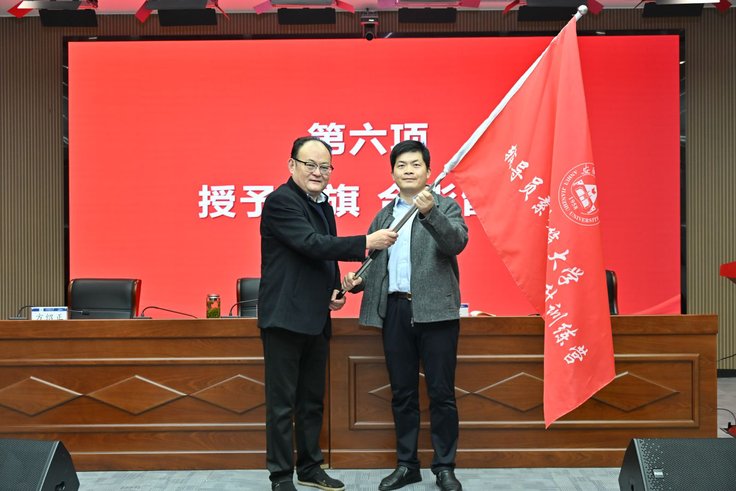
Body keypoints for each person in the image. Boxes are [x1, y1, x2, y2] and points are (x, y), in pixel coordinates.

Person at [259, 136, 398, 491]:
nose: (318, 172)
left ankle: (309, 467)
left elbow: (323, 258)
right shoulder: (280, 202)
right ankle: (280, 476)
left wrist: (334, 290)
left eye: (325, 167)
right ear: (292, 165)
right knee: (281, 404)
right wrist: (366, 242)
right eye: (310, 165)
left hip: (315, 318)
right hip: (284, 318)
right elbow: (309, 243)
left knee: (311, 401)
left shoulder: (324, 205)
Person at [342, 140, 468, 491]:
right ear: (393, 173)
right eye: (401, 165)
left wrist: (430, 214)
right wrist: (356, 282)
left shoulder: (445, 206)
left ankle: (444, 467)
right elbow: (375, 264)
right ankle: (407, 464)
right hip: (396, 310)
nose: (408, 170)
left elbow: (455, 243)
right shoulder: (384, 215)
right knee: (402, 393)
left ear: (428, 172)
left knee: (441, 393)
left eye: (415, 164)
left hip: (437, 312)